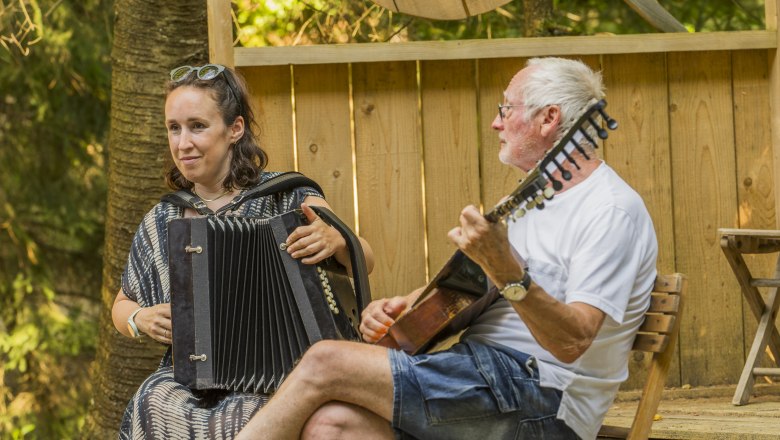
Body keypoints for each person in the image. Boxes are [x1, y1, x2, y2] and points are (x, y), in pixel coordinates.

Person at [235, 57, 658, 440]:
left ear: (549, 118)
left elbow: (572, 342)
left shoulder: (610, 210)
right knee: (333, 427)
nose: (497, 122)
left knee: (326, 360)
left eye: (506, 109)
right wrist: (407, 306)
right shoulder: (535, 199)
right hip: (482, 375)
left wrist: (506, 267)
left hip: (542, 400)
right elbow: (477, 295)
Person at [111, 63, 375, 439]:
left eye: (197, 126)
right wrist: (139, 318)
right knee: (150, 400)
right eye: (174, 128)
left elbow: (365, 259)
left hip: (285, 374)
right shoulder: (163, 218)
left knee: (249, 415)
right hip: (189, 379)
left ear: (235, 129)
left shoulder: (290, 195)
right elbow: (121, 304)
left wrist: (336, 240)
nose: (182, 143)